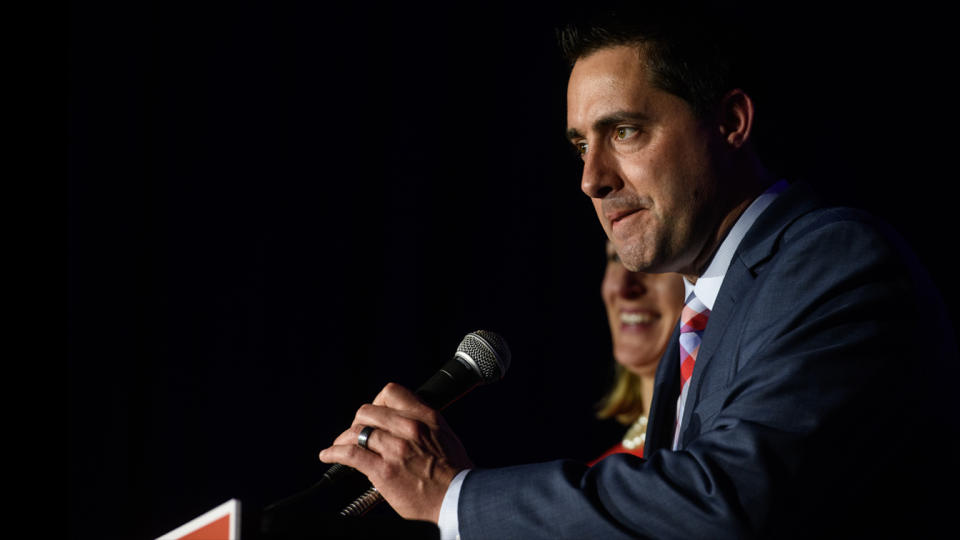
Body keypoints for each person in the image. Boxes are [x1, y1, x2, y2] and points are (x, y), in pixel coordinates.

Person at [319, 3, 959, 538]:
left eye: (623, 131)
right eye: (579, 144)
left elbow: (727, 501)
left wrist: (455, 497)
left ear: (731, 122)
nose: (591, 179)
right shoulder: (708, 307)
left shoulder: (833, 262)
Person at [591, 242, 684, 464]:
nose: (623, 287)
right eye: (615, 258)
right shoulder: (596, 475)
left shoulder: (709, 453)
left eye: (654, 260)